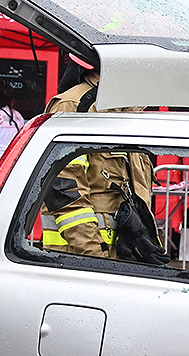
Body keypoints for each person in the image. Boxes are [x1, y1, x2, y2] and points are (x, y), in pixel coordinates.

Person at [40, 65, 164, 263]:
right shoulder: (74, 106)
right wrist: (95, 258)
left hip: (121, 260)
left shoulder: (128, 110)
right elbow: (66, 196)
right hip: (81, 261)